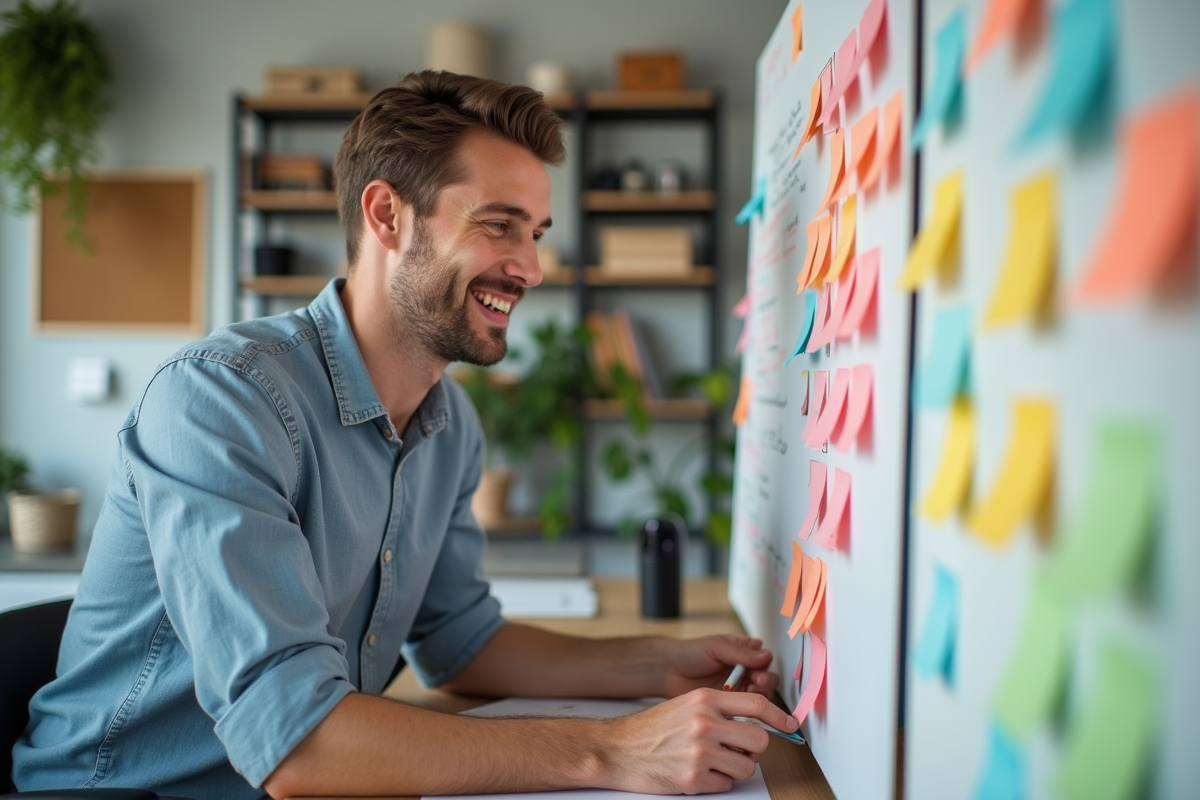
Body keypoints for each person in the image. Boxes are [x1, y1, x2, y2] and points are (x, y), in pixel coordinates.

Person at [14, 71, 796, 800]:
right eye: (499, 226)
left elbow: (460, 643)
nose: (531, 266)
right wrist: (614, 749)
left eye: (537, 233)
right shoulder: (220, 400)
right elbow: (299, 747)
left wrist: (660, 664)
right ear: (387, 215)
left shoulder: (450, 425)